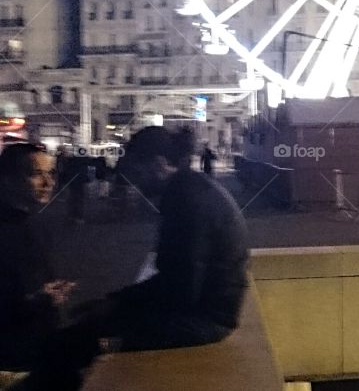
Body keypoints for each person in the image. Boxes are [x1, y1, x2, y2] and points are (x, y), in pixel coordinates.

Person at [20, 126, 249, 390]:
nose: (134, 183)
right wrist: (118, 303)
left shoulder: (186, 200)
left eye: (136, 173)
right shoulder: (194, 188)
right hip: (212, 310)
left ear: (159, 164)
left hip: (205, 321)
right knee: (79, 336)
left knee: (70, 341)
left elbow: (181, 289)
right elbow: (181, 279)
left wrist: (116, 306)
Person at [0, 143, 75, 376]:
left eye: (51, 173)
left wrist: (50, 293)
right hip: (12, 354)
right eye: (35, 174)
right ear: (7, 180)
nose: (48, 183)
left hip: (41, 341)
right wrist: (37, 300)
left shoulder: (35, 221)